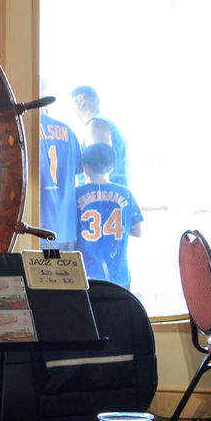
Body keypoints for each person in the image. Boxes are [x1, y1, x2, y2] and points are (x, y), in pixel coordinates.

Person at [76, 143, 144, 287]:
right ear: (112, 167)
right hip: (119, 274)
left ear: (85, 166)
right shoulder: (125, 193)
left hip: (86, 274)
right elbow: (138, 231)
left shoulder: (76, 194)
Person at [39, 107, 83, 251]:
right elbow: (78, 171)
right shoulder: (69, 132)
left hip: (37, 226)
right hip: (66, 226)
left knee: (37, 272)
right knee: (62, 273)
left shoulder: (26, 130)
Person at [70, 86, 128, 185]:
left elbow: (99, 169)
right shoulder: (103, 123)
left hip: (100, 198)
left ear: (80, 100)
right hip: (111, 196)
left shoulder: (96, 125)